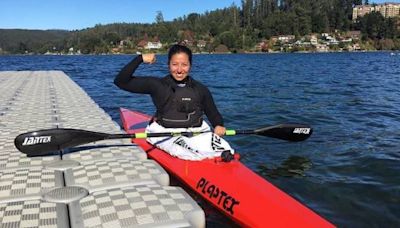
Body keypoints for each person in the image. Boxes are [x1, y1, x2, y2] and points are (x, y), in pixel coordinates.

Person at [114, 44, 234, 161]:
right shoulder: (157, 85)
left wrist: (218, 124)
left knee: (225, 150)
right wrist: (140, 59)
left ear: (190, 66)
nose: (179, 70)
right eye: (175, 64)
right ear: (168, 65)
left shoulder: (200, 89)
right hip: (165, 133)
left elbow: (213, 113)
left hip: (196, 132)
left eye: (184, 65)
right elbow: (121, 81)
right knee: (187, 152)